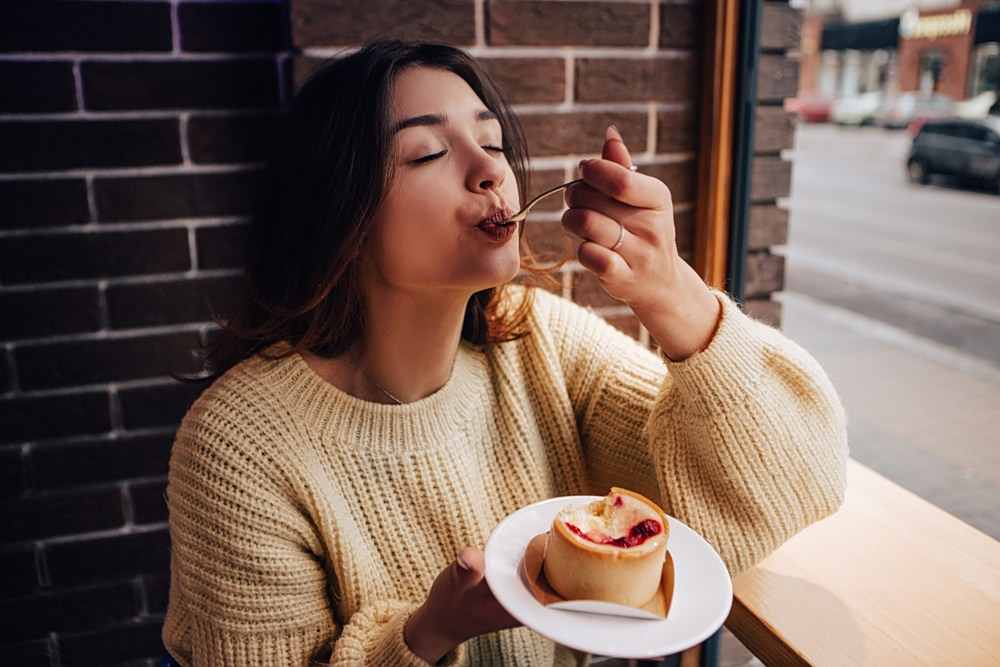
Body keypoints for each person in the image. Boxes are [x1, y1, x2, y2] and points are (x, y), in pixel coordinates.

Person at [162, 39, 848, 666]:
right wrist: (427, 634)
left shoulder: (536, 339)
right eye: (427, 153)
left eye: (491, 141)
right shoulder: (238, 446)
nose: (491, 168)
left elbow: (794, 487)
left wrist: (673, 294)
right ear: (340, 214)